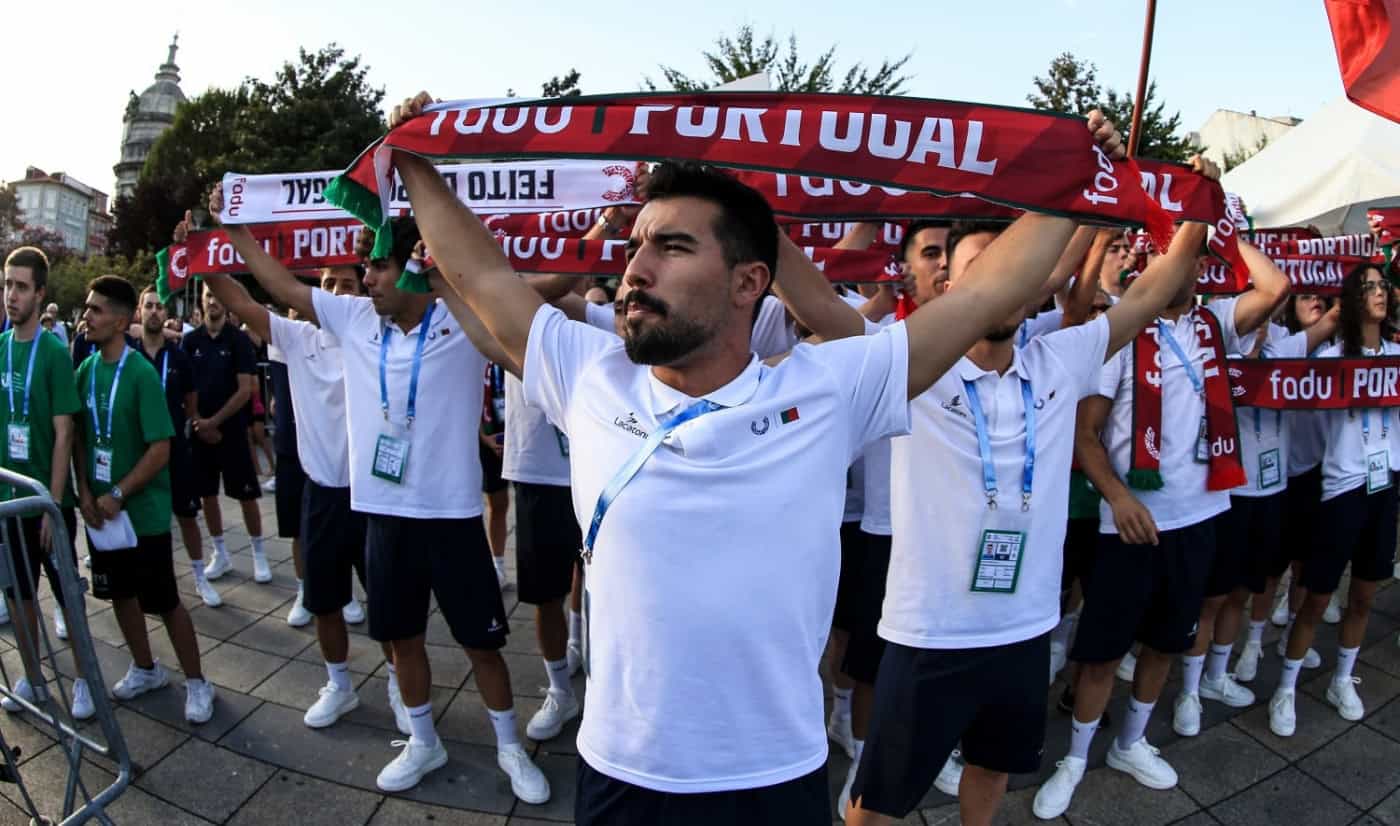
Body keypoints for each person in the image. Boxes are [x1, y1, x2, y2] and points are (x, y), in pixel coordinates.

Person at [388, 91, 1124, 825]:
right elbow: (483, 278)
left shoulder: (832, 386)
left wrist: (1077, 172)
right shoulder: (590, 372)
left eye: (672, 246)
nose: (637, 267)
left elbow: (990, 289)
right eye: (638, 244)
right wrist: (413, 160)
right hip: (620, 772)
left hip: (776, 777)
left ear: (750, 283)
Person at [845, 187, 1213, 825]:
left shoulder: (1058, 361)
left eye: (1007, 271)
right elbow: (825, 313)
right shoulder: (907, 367)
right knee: (876, 803)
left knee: (992, 771)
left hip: (1025, 630)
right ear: (944, 286)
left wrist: (1199, 203)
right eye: (978, 273)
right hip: (929, 635)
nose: (998, 288)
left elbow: (1156, 291)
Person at [207, 185, 549, 801]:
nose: (367, 279)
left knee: (482, 643)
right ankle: (422, 740)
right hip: (382, 515)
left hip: (450, 514)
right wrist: (232, 230)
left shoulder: (458, 313)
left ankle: (509, 748)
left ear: (412, 270)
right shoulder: (354, 318)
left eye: (379, 267)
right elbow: (281, 290)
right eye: (365, 268)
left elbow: (530, 289)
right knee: (401, 637)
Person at [1034, 235, 1290, 818]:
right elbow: (1085, 434)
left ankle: (1130, 743)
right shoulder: (1122, 334)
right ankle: (1073, 758)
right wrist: (1119, 498)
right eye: (1178, 256)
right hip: (1129, 525)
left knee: (1166, 643)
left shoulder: (1214, 324)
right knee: (1100, 655)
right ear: (1153, 268)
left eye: (1197, 257)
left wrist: (1226, 228)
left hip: (1198, 517)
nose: (1192, 266)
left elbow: (1274, 289)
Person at [184, 239, 399, 735]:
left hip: (375, 494)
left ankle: (397, 682)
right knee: (323, 601)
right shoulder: (295, 337)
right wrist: (199, 250)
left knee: (388, 604)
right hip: (321, 491)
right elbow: (238, 300)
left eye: (347, 285)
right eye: (327, 285)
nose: (336, 294)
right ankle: (339, 685)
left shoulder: (378, 331)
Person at [72, 275, 214, 724]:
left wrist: (118, 492)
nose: (85, 317)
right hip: (102, 514)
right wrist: (85, 491)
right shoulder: (85, 370)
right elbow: (77, 437)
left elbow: (160, 449)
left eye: (95, 310)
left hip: (143, 513)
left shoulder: (140, 375)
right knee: (119, 595)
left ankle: (197, 682)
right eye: (86, 308)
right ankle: (145, 668)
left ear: (120, 320)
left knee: (165, 600)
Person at [1269, 264, 1399, 735]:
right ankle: (1285, 687)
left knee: (1364, 595)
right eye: (1368, 287)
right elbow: (1299, 413)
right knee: (1317, 597)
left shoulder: (1397, 356)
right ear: (1352, 298)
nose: (1379, 293)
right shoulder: (1328, 360)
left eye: (1382, 285)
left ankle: (1343, 678)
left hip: (1384, 487)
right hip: (1342, 487)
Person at [0, 247, 86, 714]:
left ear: (40, 294)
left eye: (20, 287)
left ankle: (86, 679)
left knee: (67, 596)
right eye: (6, 285)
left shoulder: (53, 352)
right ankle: (33, 679)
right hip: (6, 501)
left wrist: (53, 504)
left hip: (46, 502)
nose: (11, 295)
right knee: (17, 596)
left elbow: (63, 432)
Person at [134, 286, 222, 608]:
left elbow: (190, 401)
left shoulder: (180, 357)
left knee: (186, 515)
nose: (154, 312)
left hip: (173, 450)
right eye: (149, 306)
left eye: (160, 307)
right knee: (139, 517)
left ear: (166, 314)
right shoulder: (130, 354)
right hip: (138, 452)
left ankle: (199, 576)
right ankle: (141, 579)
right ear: (139, 312)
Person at [183, 285, 270, 583]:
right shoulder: (190, 341)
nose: (213, 301)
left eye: (218, 295)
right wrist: (198, 422)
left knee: (246, 495)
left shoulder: (239, 341)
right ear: (202, 300)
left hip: (231, 432)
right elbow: (184, 388)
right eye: (208, 295)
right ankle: (220, 553)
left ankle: (258, 551)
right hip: (200, 433)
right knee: (208, 495)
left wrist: (215, 422)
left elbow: (246, 389)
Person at [479, 361, 510, 587]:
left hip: (520, 434)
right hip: (488, 433)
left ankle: (501, 563)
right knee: (496, 502)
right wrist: (483, 437)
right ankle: (496, 563)